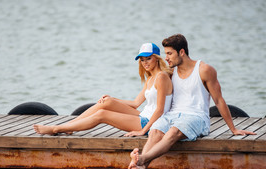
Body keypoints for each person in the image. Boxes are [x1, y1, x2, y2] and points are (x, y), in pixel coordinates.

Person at [128, 34, 256, 169]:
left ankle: (141, 159)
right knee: (156, 130)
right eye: (165, 54)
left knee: (172, 132)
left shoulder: (204, 70)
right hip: (173, 115)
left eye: (169, 54)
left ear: (181, 52)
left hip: (196, 117)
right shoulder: (171, 72)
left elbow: (219, 100)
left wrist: (233, 129)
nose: (166, 58)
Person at [33, 43, 173, 137]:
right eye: (142, 60)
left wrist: (143, 131)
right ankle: (69, 127)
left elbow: (160, 110)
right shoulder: (150, 78)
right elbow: (136, 103)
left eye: (148, 59)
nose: (145, 63)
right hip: (143, 116)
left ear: (157, 58)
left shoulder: (161, 77)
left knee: (102, 114)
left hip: (150, 123)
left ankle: (56, 129)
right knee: (105, 103)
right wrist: (112, 99)